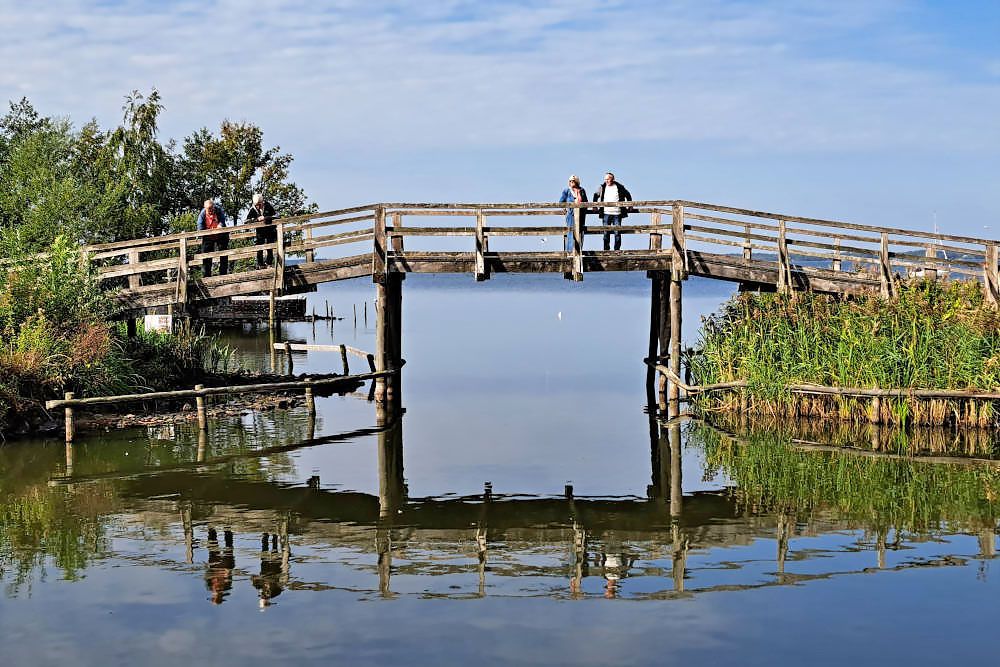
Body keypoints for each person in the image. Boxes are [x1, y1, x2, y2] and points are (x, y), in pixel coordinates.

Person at [592, 172, 633, 251]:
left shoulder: (620, 187)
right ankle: (606, 250)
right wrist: (594, 206)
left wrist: (630, 205)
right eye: (605, 179)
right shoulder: (602, 187)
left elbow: (628, 195)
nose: (606, 181)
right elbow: (595, 195)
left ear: (613, 179)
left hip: (617, 213)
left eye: (608, 179)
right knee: (606, 233)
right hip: (606, 213)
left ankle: (616, 250)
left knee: (617, 233)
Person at [197, 199, 229, 277]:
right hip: (208, 236)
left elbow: (222, 220)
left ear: (214, 207)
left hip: (220, 235)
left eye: (211, 208)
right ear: (205, 208)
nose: (210, 210)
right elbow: (200, 227)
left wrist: (220, 225)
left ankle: (223, 274)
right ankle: (206, 275)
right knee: (206, 255)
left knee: (223, 253)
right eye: (208, 209)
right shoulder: (202, 214)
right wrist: (206, 232)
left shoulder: (218, 210)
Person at [246, 193, 277, 269]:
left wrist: (266, 217)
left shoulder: (268, 206)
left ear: (262, 202)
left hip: (270, 230)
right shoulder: (253, 209)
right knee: (259, 247)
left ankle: (269, 263)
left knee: (270, 247)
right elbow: (246, 221)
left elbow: (276, 216)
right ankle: (260, 264)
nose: (258, 206)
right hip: (260, 232)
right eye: (256, 204)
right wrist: (256, 219)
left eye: (259, 204)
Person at [559, 175, 588, 252]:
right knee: (571, 232)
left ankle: (579, 250)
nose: (572, 182)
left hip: (581, 214)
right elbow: (561, 202)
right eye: (570, 181)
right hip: (571, 214)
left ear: (577, 181)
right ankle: (570, 251)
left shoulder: (582, 190)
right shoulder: (567, 191)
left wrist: (584, 209)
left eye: (573, 181)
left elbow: (586, 202)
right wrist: (564, 208)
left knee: (580, 232)